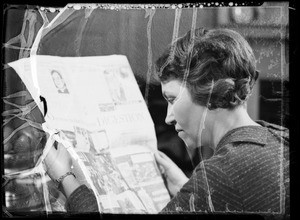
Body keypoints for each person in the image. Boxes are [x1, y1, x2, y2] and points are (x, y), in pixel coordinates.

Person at [43, 27, 289, 215]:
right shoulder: (278, 137)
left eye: (172, 99)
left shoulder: (221, 174)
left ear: (209, 91)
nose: (169, 117)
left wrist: (66, 178)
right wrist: (192, 191)